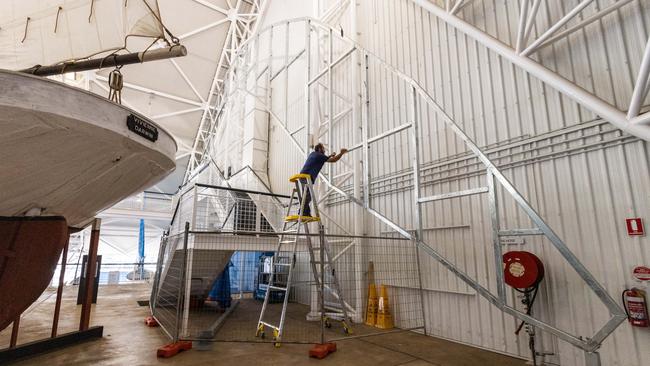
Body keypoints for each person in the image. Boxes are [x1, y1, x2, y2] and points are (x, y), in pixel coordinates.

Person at [298, 143, 348, 217]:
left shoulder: (314, 154)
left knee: (306, 195)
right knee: (307, 196)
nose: (324, 150)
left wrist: (330, 155)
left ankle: (306, 213)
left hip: (303, 176)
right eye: (323, 148)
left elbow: (324, 159)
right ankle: (301, 213)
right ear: (319, 149)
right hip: (306, 177)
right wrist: (341, 153)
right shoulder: (319, 155)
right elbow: (333, 160)